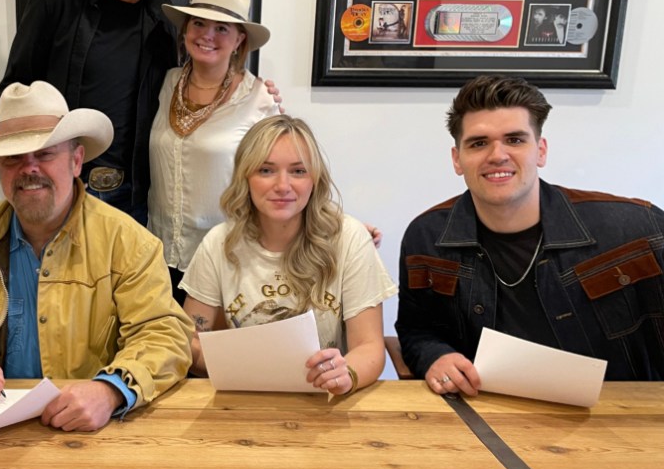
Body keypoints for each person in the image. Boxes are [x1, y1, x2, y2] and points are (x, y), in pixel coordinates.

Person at [0, 81, 193, 431]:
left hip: (92, 429)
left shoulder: (130, 243)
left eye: (45, 154)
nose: (29, 168)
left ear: (76, 161)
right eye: (13, 157)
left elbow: (163, 333)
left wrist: (110, 391)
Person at [396, 75, 664, 394]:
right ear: (457, 159)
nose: (497, 155)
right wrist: (436, 357)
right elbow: (416, 331)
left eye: (515, 140)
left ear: (541, 151)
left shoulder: (638, 229)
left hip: (619, 412)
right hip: (487, 409)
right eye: (479, 143)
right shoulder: (426, 238)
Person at [0, 0, 187, 224]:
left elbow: (189, 90)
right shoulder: (55, 1)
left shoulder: (166, 20)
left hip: (137, 197)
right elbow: (15, 93)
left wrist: (249, 90)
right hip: (62, 189)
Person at [180, 115, 395, 393]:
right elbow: (190, 342)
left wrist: (347, 375)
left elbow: (369, 347)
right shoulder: (218, 243)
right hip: (246, 396)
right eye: (266, 170)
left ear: (315, 179)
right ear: (245, 177)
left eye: (298, 171)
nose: (282, 186)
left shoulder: (350, 238)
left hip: (326, 399)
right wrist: (242, 368)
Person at [150, 0, 278, 302]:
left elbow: (283, 177)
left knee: (209, 338)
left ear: (239, 40)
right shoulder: (165, 84)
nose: (207, 35)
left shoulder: (259, 99)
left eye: (221, 28)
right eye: (199, 23)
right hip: (158, 257)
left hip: (224, 261)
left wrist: (334, 228)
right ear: (185, 30)